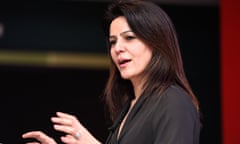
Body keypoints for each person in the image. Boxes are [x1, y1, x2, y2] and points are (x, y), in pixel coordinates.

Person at [22, 0, 201, 143]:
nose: (117, 49)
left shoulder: (173, 101)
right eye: (113, 41)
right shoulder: (129, 106)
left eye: (129, 38)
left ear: (156, 43)